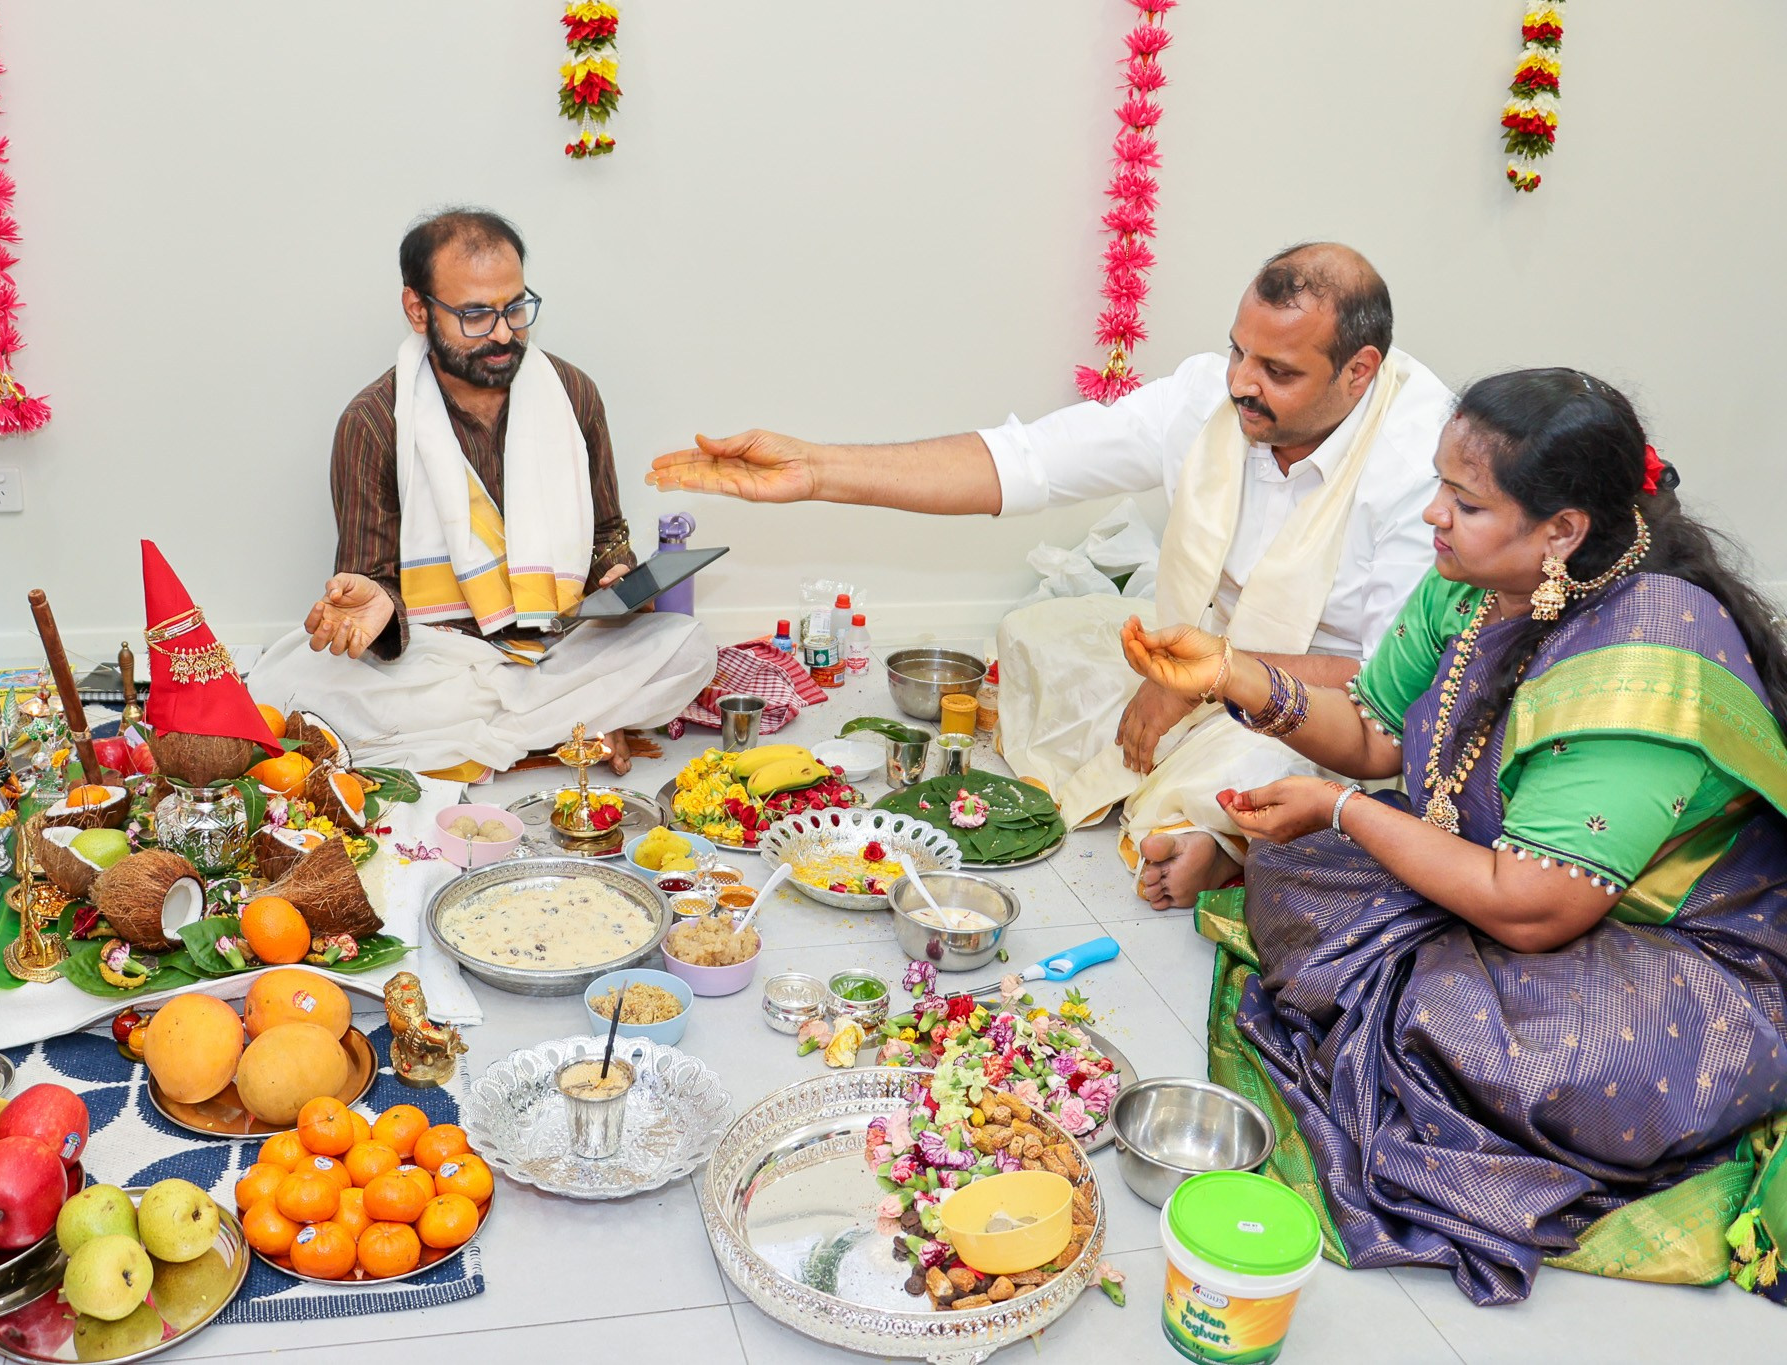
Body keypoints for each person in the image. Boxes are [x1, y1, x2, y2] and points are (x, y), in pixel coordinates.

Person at [1120, 369, 1787, 1304]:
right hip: (1510, 880)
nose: (1433, 513)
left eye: (1465, 502)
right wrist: (1231, 674)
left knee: (1474, 1029)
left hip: (1678, 955)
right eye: (1440, 484)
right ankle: (1404, 1007)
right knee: (1295, 867)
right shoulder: (1476, 586)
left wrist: (1345, 809)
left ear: (1561, 531)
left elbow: (1532, 911)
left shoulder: (1645, 661)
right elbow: (1374, 733)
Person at [647, 243, 1453, 907]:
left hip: (1320, 703)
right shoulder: (1208, 399)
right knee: (1035, 634)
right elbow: (1027, 461)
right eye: (1239, 351)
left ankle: (1209, 840)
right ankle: (1195, 807)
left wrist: (1213, 680)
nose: (1242, 382)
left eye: (1278, 371)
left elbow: (1392, 684)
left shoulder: (1419, 464)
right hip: (1192, 653)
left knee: (1263, 770)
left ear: (1359, 371)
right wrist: (819, 470)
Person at [250, 208, 714, 778]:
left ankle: (506, 735)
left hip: (557, 644)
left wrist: (616, 575)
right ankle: (567, 727)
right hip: (437, 660)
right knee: (291, 685)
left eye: (515, 308)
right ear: (418, 309)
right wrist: (375, 603)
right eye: (475, 315)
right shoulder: (372, 423)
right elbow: (372, 587)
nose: (502, 334)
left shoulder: (573, 394)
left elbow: (605, 534)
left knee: (688, 647)